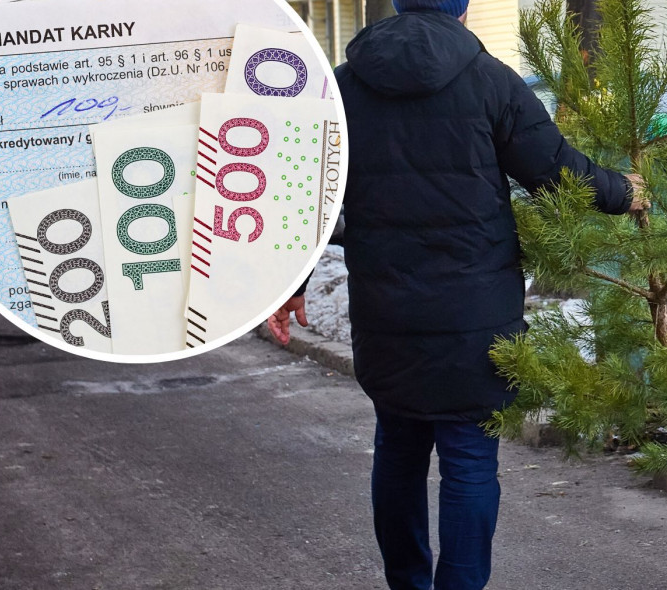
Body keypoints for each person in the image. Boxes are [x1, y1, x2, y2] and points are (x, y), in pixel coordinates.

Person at [267, 1, 645, 588]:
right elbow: (557, 171)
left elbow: (301, 199)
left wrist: (287, 284)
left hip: (385, 309)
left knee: (397, 448)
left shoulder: (339, 88)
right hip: (476, 312)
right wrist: (624, 192)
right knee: (470, 458)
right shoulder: (490, 80)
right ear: (462, 9)